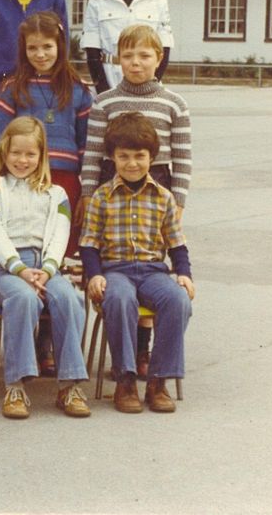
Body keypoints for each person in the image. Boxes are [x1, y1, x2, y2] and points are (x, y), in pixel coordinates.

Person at [80, 23, 191, 377]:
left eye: (145, 56)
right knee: (122, 267)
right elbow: (94, 152)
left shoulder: (174, 103)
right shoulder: (105, 101)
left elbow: (183, 157)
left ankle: (145, 356)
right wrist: (86, 193)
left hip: (158, 185)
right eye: (128, 56)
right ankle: (130, 360)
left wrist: (178, 200)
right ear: (117, 59)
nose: (136, 63)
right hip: (112, 182)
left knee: (149, 264)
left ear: (159, 58)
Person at [81, 113, 194, 414]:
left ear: (152, 157)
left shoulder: (164, 197)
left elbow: (177, 243)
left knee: (177, 300)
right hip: (115, 270)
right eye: (124, 156)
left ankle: (158, 380)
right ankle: (126, 379)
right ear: (112, 157)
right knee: (118, 299)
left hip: (153, 271)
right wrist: (94, 276)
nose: (132, 163)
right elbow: (89, 243)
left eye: (139, 156)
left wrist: (184, 274)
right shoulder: (102, 197)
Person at [0, 116, 90, 419]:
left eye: (30, 154)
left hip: (46, 266)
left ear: (42, 156)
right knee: (23, 298)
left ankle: (69, 385)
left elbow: (60, 235)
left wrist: (48, 269)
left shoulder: (56, 194)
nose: (22, 160)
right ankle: (16, 386)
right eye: (16, 153)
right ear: (4, 152)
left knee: (69, 298)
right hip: (8, 270)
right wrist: (20, 270)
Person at [0, 11, 92, 257]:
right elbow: (0, 140)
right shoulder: (12, 88)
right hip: (23, 179)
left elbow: (87, 144)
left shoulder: (78, 88)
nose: (40, 54)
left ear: (60, 45)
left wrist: (86, 190)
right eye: (32, 48)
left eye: (47, 46)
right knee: (26, 245)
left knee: (60, 249)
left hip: (64, 178)